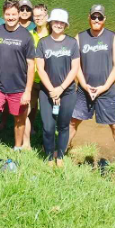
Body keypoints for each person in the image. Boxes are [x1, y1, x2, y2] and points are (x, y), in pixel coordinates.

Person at [69, 5, 115, 172]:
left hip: (106, 91)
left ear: (104, 19)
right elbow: (76, 65)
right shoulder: (79, 37)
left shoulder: (113, 37)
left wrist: (104, 87)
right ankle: (61, 152)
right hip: (84, 90)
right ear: (88, 17)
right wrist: (83, 84)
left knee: (114, 124)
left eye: (99, 17)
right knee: (73, 121)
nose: (96, 20)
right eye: (93, 17)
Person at [0, 0, 35, 153]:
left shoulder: (26, 36)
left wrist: (28, 90)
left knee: (19, 120)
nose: (10, 17)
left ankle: (17, 147)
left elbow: (31, 65)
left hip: (18, 86)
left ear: (19, 14)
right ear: (3, 14)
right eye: (7, 14)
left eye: (13, 14)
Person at [35, 9, 80, 167]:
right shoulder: (43, 43)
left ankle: (60, 155)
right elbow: (40, 68)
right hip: (46, 92)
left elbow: (75, 69)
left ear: (66, 25)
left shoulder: (72, 43)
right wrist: (52, 90)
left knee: (63, 125)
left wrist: (60, 89)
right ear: (51, 23)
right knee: (48, 127)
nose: (58, 25)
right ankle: (48, 156)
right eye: (56, 22)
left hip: (67, 92)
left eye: (62, 22)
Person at [23, 3, 50, 149]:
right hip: (32, 79)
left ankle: (48, 139)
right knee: (30, 107)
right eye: (36, 16)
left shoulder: (52, 34)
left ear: (47, 16)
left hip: (48, 79)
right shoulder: (29, 34)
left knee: (48, 111)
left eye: (41, 15)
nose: (38, 18)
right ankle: (28, 134)